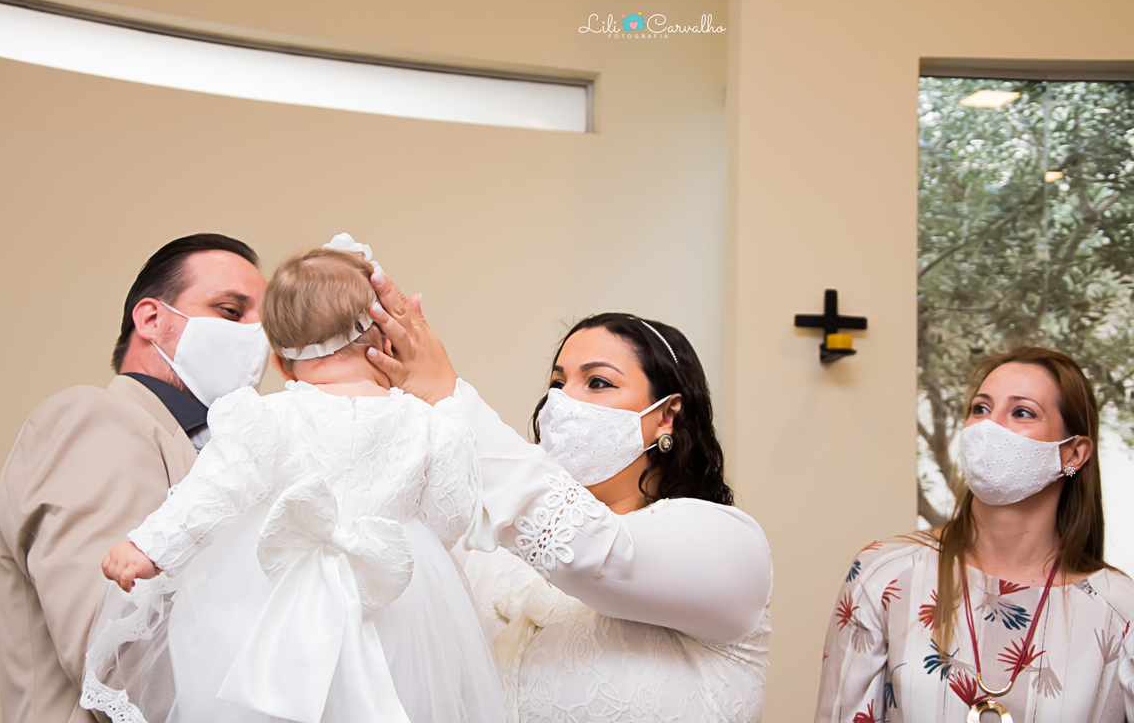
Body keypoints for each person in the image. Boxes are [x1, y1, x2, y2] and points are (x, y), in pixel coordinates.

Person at [83, 237, 503, 723]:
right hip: (402, 604)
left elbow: (214, 490)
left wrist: (149, 548)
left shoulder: (265, 417)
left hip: (279, 597)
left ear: (280, 361)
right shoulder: (433, 421)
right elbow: (450, 517)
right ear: (385, 344)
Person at [363, 271, 774, 722]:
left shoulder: (729, 544)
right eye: (558, 384)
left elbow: (593, 553)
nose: (562, 403)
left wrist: (445, 392)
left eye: (598, 382)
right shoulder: (489, 550)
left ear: (667, 416)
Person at [0, 233, 269, 723]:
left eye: (266, 324)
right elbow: (120, 662)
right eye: (229, 311)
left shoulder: (232, 459)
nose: (256, 337)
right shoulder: (96, 418)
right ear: (151, 320)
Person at [815, 346, 1134, 723]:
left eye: (1022, 412)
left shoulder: (1119, 611)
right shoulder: (884, 574)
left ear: (1074, 454)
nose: (988, 426)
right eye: (980, 408)